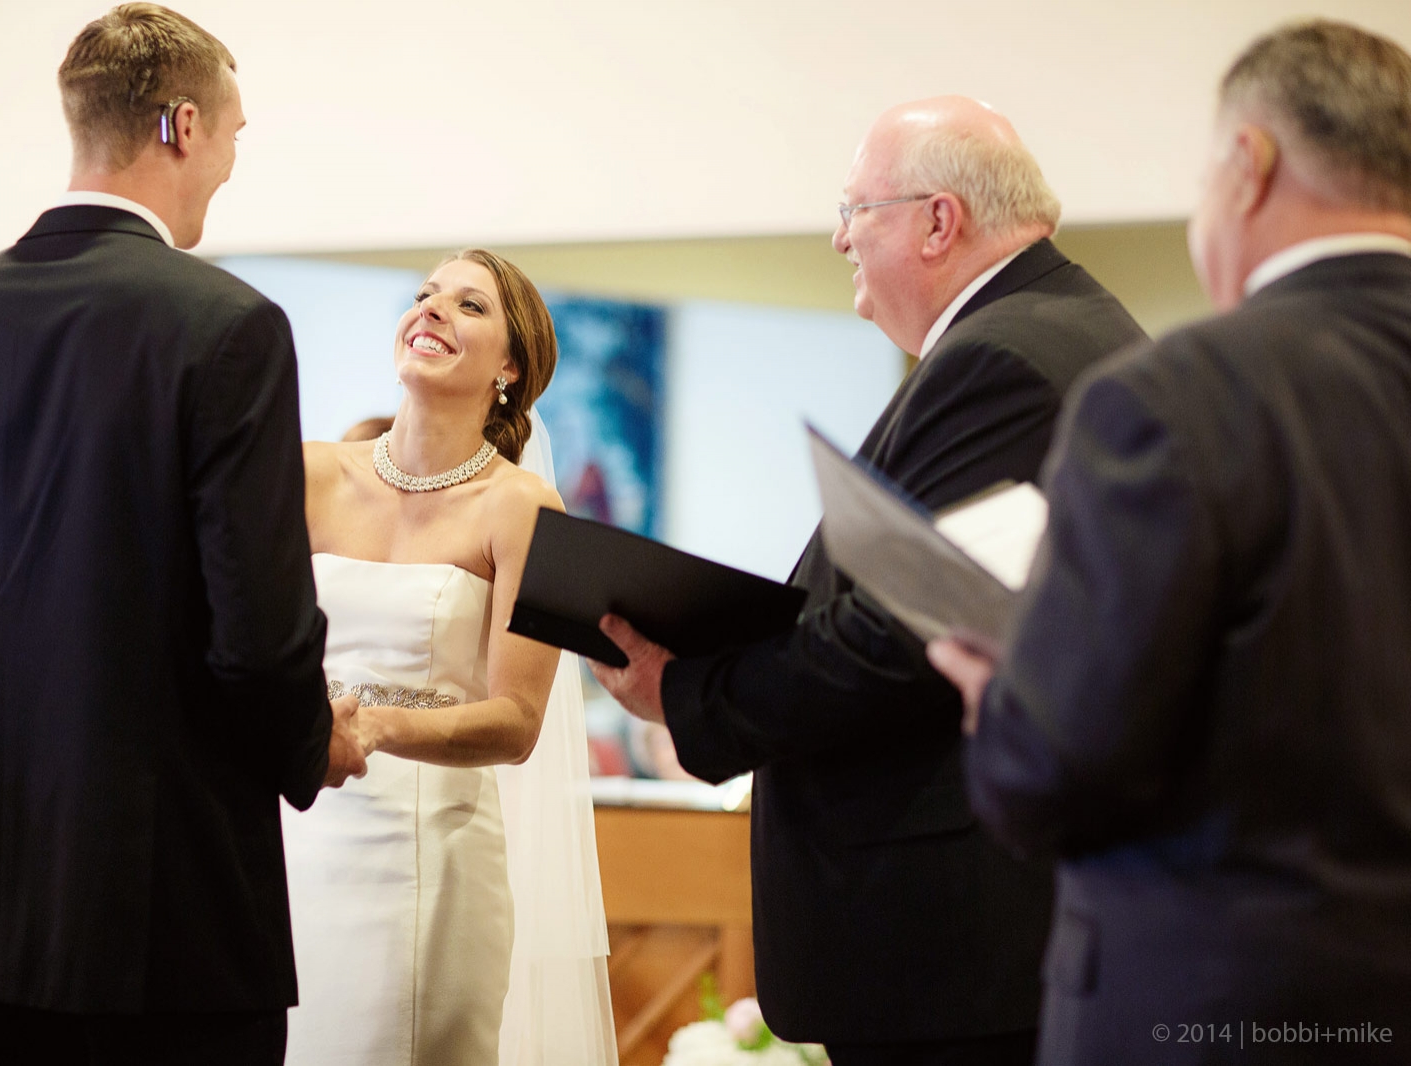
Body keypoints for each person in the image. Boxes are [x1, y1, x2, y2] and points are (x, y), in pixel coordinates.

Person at [0, 6, 366, 1065]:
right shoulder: (229, 328)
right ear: (183, 125)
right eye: (232, 133)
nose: (230, 163)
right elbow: (258, 633)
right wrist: (313, 741)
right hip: (173, 908)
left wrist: (29, 726)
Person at [590, 97, 1147, 1065]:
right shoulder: (1052, 330)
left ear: (938, 221)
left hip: (952, 948)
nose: (838, 237)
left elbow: (906, 631)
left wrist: (688, 691)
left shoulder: (1003, 357)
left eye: (855, 209)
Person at [927, 20, 1411, 1066]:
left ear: (1247, 163)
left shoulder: (1177, 397)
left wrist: (997, 696)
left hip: (1227, 1003)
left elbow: (1058, 768)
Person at [284, 249, 616, 1066]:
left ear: (510, 367)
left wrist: (372, 727)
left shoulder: (528, 509)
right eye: (426, 294)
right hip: (294, 836)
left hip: (431, 851)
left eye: (470, 305)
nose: (432, 309)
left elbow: (518, 723)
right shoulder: (308, 472)